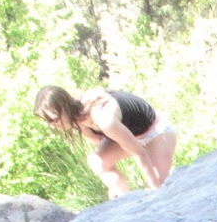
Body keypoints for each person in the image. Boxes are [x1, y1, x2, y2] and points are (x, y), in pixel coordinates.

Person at [33, 85, 177, 199]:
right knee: (96, 162)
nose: (52, 125)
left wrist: (154, 189)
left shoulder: (103, 118)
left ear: (64, 108)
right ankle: (125, 200)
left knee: (154, 191)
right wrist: (114, 185)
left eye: (53, 119)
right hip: (133, 135)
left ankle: (145, 197)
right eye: (48, 121)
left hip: (156, 132)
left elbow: (138, 152)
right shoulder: (78, 119)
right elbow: (99, 143)